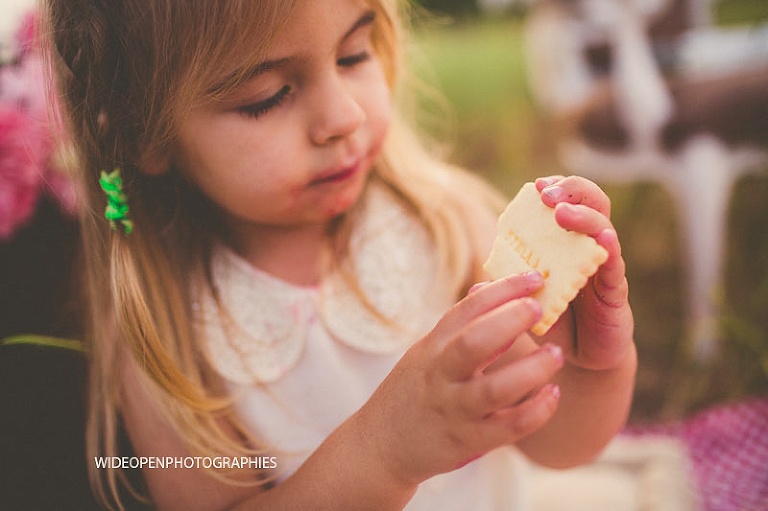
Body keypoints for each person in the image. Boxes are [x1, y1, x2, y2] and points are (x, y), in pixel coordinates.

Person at [43, 0, 636, 509]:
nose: (343, 117)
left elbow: (559, 445)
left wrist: (592, 365)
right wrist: (384, 454)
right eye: (267, 96)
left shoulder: (444, 228)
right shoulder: (166, 335)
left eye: (354, 54)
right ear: (143, 134)